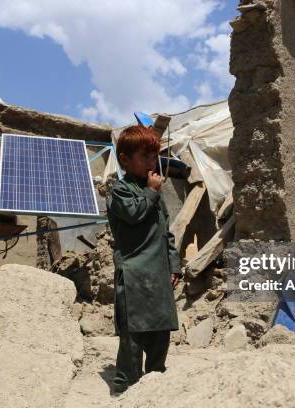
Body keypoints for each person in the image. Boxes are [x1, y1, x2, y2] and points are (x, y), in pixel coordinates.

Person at [106, 124, 182, 394]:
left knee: (161, 332)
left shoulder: (155, 194)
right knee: (133, 337)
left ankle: (155, 384)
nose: (153, 162)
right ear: (125, 160)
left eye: (154, 156)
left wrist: (174, 266)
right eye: (146, 157)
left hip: (158, 275)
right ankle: (124, 388)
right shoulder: (119, 190)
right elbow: (134, 214)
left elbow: (166, 233)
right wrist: (151, 191)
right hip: (135, 275)